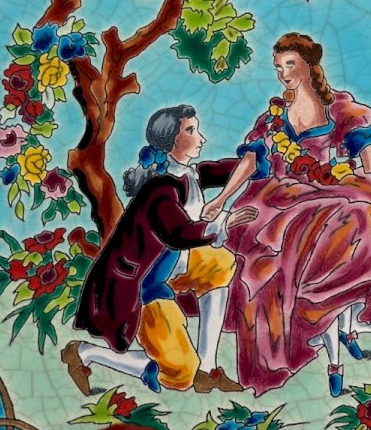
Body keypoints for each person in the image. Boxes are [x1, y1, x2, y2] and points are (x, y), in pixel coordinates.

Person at [199, 33, 371, 398]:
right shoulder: (273, 117)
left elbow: (368, 154)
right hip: (280, 195)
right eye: (278, 67)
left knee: (359, 213)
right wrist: (222, 199)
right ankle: (316, 327)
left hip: (328, 191)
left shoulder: (338, 107)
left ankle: (338, 322)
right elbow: (251, 161)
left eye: (290, 64)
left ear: (309, 66)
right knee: (270, 247)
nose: (283, 73)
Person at [62, 105, 255, 396]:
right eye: (191, 130)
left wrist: (260, 154)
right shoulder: (160, 189)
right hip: (143, 287)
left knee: (220, 263)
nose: (201, 138)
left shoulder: (190, 174)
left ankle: (208, 369)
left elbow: (233, 169)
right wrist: (224, 221)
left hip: (173, 266)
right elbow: (178, 233)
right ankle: (86, 353)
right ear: (172, 140)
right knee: (180, 373)